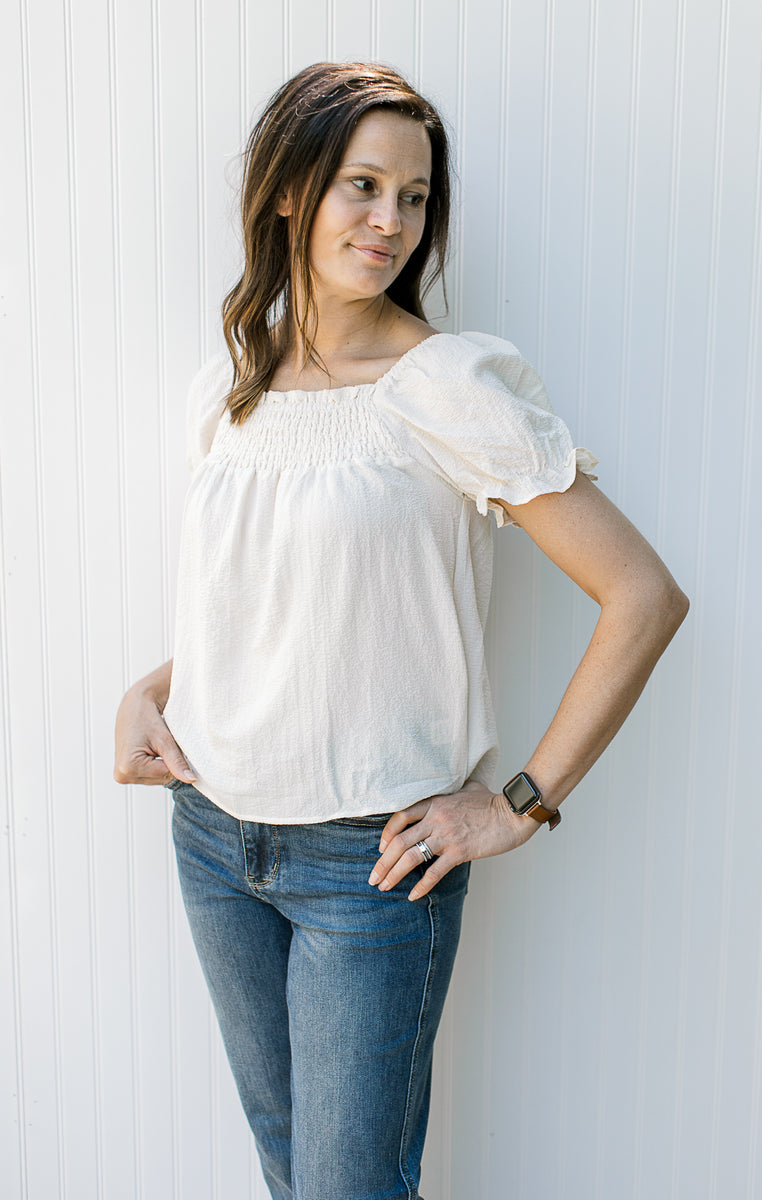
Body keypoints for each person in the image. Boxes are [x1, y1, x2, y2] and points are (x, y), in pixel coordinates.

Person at [113, 61, 688, 1200]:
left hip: (367, 866)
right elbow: (282, 599)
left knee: (345, 1190)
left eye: (413, 197)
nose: (389, 221)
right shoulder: (228, 383)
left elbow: (642, 596)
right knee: (291, 1174)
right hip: (212, 836)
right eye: (360, 186)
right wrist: (154, 686)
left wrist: (516, 802)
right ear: (289, 192)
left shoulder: (445, 385)